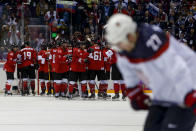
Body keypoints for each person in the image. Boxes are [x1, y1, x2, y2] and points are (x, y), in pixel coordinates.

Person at [105, 13, 196, 131]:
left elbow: (176, 70)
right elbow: (129, 74)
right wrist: (135, 93)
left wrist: (190, 95)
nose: (118, 47)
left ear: (130, 36)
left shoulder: (153, 40)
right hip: (163, 92)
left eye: (119, 42)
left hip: (188, 84)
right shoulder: (124, 49)